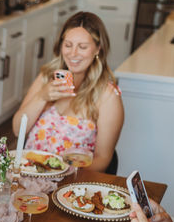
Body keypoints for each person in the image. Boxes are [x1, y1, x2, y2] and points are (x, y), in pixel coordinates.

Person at [12, 12, 124, 172]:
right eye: (68, 45)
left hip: (69, 186)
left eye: (82, 47)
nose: (73, 54)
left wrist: (65, 181)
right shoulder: (46, 77)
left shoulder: (108, 95)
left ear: (98, 49)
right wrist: (42, 97)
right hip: (29, 175)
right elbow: (17, 130)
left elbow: (103, 159)